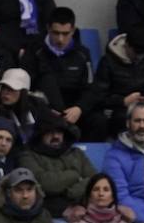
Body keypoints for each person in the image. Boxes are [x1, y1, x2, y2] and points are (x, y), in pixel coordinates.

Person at [25, 8, 100, 138]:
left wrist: (79, 108)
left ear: (73, 30)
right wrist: (45, 109)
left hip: (74, 108)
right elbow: (26, 86)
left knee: (99, 121)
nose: (60, 39)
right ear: (48, 28)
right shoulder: (34, 51)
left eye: (65, 34)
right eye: (56, 33)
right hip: (46, 107)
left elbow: (90, 87)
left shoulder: (82, 53)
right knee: (46, 80)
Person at [88, 28, 144, 138]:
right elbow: (97, 97)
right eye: (136, 53)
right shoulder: (108, 62)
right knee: (121, 117)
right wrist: (123, 101)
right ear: (126, 45)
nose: (139, 57)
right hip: (119, 110)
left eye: (143, 54)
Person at [16, 112, 96, 220]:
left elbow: (95, 180)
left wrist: (71, 192)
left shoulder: (76, 153)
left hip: (83, 208)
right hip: (48, 213)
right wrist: (75, 175)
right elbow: (44, 183)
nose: (56, 136)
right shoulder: (28, 155)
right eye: (50, 132)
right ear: (41, 134)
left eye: (59, 132)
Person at [0, 69, 48, 145]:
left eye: (11, 89)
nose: (5, 93)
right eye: (3, 88)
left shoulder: (38, 107)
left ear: (23, 92)